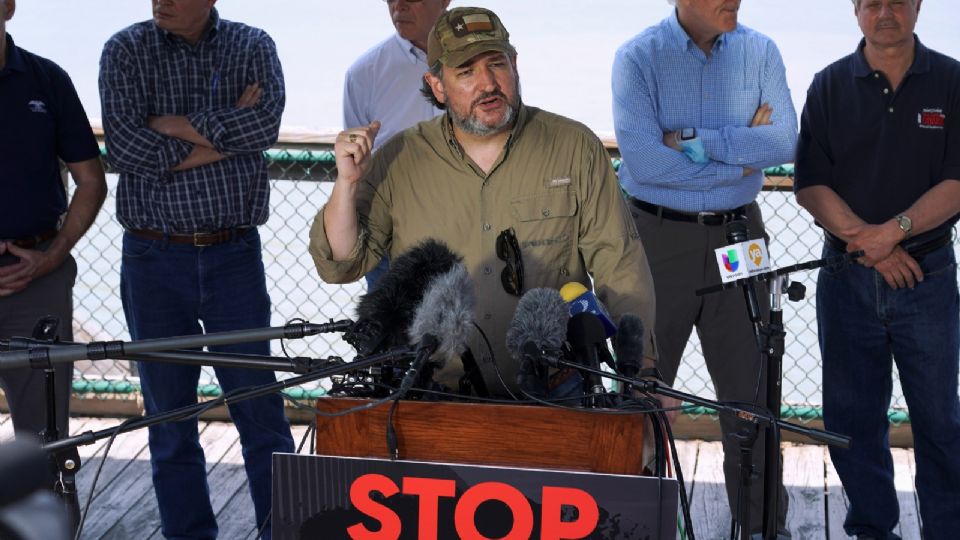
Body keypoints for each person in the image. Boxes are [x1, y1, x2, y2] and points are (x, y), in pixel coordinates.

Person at [310, 6, 659, 397]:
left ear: (515, 64)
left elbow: (620, 266)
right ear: (437, 85)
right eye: (466, 72)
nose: (487, 84)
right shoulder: (399, 158)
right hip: (435, 392)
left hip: (558, 388)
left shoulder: (574, 147)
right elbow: (341, 264)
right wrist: (346, 182)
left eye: (496, 64)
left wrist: (641, 374)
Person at [98, 0, 294, 538]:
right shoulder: (125, 49)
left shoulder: (252, 45)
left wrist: (170, 125)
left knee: (260, 413)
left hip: (233, 256)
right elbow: (126, 146)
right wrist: (223, 135)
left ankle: (282, 532)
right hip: (152, 259)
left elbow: (265, 125)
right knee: (168, 422)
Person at [612, 0, 797, 535]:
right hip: (654, 238)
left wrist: (693, 143)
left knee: (753, 397)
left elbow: (784, 141)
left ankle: (763, 527)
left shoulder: (761, 51)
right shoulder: (638, 58)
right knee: (640, 395)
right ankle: (627, 523)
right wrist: (742, 153)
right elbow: (645, 161)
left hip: (741, 236)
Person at [794, 0, 960, 537]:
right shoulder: (828, 85)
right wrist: (870, 245)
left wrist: (893, 234)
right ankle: (872, 529)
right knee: (853, 420)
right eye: (872, 2)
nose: (885, 12)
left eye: (897, 0)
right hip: (847, 278)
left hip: (928, 278)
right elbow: (810, 183)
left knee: (940, 421)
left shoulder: (953, 81)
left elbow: (958, 181)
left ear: (918, 6)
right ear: (856, 10)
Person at [0, 0, 106, 439]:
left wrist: (52, 258)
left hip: (38, 278)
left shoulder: (47, 79)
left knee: (45, 443)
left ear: (8, 6)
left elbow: (91, 182)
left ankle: (49, 512)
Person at [343, 0, 450, 289]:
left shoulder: (485, 63)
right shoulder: (364, 74)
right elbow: (356, 169)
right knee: (395, 334)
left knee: (479, 332)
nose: (398, 6)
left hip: (475, 237)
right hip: (392, 248)